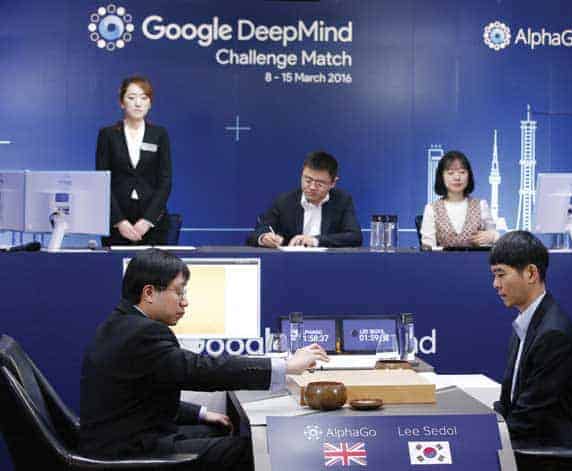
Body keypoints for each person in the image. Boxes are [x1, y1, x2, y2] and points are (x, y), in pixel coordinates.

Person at [79, 249, 328, 470]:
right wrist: (286, 366)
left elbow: (140, 396)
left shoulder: (119, 323)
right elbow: (201, 370)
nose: (185, 302)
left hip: (116, 438)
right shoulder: (143, 333)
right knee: (254, 450)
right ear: (149, 293)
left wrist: (200, 413)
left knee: (216, 426)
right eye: (178, 292)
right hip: (129, 452)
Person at [489, 231, 572, 449]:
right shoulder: (527, 322)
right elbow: (509, 401)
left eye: (501, 274)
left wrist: (487, 438)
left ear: (530, 273)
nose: (495, 285)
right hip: (529, 437)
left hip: (553, 451)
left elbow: (528, 417)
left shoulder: (553, 334)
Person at [96, 76, 172, 246]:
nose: (138, 103)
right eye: (131, 97)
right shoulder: (108, 134)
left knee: (155, 271)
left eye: (144, 98)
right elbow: (102, 181)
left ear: (150, 103)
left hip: (153, 221)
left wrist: (147, 220)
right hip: (117, 220)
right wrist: (119, 221)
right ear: (122, 103)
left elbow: (165, 181)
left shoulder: (159, 134)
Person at [248, 151, 362, 248]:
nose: (312, 187)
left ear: (333, 183)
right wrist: (264, 237)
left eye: (319, 183)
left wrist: (314, 240)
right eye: (308, 180)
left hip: (328, 264)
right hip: (289, 265)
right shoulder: (285, 201)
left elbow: (354, 237)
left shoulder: (342, 200)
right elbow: (257, 232)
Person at [420, 151, 497, 249]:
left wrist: (493, 237)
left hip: (476, 263)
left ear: (469, 176)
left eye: (462, 172)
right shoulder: (431, 209)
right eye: (450, 173)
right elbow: (428, 249)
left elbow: (494, 241)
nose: (457, 177)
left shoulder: (481, 205)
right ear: (441, 177)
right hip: (441, 263)